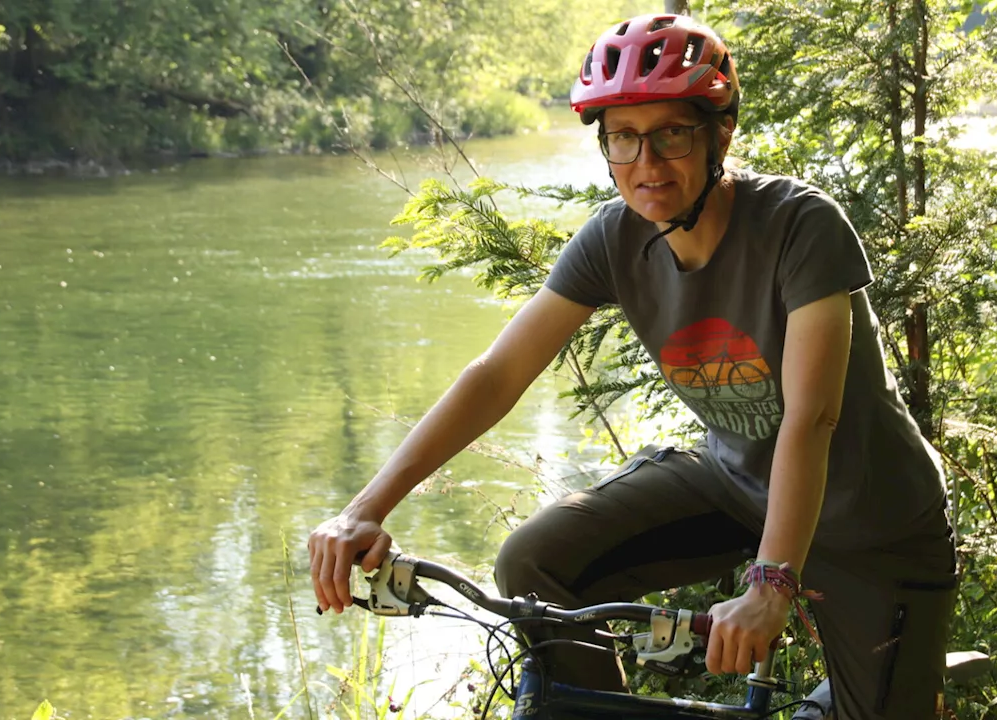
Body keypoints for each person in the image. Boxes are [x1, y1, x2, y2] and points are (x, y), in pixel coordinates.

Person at [308, 13, 957, 719]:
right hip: (737, 485)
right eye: (622, 137)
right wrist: (363, 510)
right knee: (537, 564)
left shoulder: (800, 226)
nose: (646, 164)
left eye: (671, 134)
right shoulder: (614, 240)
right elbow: (497, 374)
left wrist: (772, 582)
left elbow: (813, 417)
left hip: (873, 521)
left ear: (721, 133)